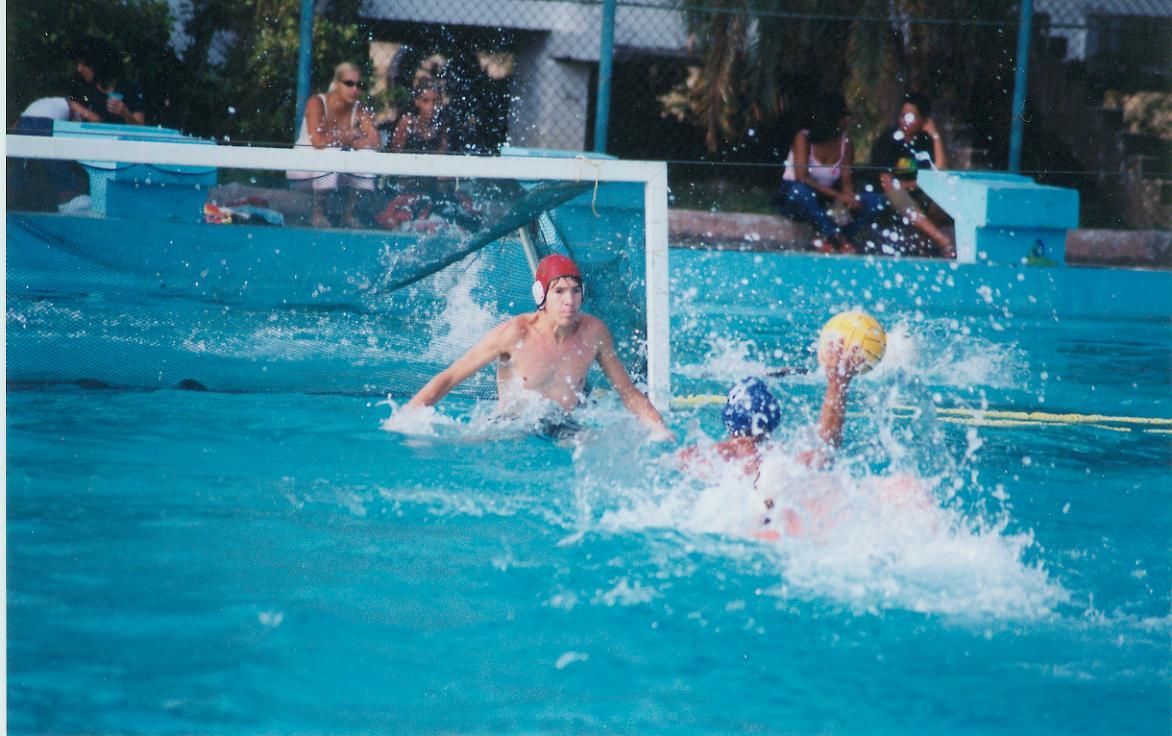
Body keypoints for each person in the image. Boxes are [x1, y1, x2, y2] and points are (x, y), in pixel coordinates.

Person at [400, 254, 672, 438]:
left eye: (575, 291)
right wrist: (404, 419)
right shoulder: (515, 333)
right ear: (541, 296)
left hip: (564, 426)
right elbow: (449, 378)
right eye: (559, 291)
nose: (570, 300)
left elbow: (628, 392)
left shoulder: (594, 332)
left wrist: (659, 430)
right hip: (511, 426)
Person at [776, 94, 884, 254]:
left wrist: (850, 198)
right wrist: (838, 196)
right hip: (798, 196)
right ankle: (835, 236)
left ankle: (834, 239)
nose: (847, 121)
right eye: (843, 117)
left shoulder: (846, 144)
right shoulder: (803, 138)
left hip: (826, 198)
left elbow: (847, 181)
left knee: (876, 201)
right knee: (800, 192)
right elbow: (802, 177)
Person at [288, 62, 381, 228]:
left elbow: (375, 142)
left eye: (359, 84)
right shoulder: (317, 102)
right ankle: (318, 212)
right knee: (331, 151)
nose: (355, 89)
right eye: (349, 83)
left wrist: (350, 140)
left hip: (333, 172)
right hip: (303, 168)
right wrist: (347, 135)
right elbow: (317, 141)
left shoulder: (360, 109)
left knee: (367, 154)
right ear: (337, 84)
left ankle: (349, 213)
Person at [869, 93, 956, 257]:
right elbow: (887, 182)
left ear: (924, 121)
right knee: (897, 194)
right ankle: (942, 240)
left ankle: (923, 241)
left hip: (919, 193)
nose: (904, 121)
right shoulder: (888, 140)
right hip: (892, 196)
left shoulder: (926, 141)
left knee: (943, 195)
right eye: (902, 116)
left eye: (911, 117)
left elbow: (940, 174)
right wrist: (918, 184)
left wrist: (936, 137)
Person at [66, 38, 145, 126]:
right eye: (78, 64)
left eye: (85, 64)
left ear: (98, 64)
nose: (79, 69)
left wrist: (125, 113)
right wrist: (79, 108)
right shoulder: (82, 90)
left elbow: (140, 127)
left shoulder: (129, 89)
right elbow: (73, 101)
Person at [390, 80, 449, 154]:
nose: (431, 106)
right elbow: (395, 154)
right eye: (425, 101)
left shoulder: (440, 125)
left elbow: (443, 155)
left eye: (435, 101)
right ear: (417, 102)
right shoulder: (407, 123)